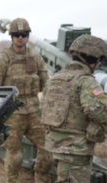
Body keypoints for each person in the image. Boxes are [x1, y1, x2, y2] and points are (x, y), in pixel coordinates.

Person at [0, 18, 52, 183]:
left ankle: (41, 178)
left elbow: (47, 83)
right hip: (13, 114)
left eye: (24, 34)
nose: (20, 37)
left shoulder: (35, 57)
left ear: (27, 36)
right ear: (11, 36)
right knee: (14, 153)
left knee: (47, 148)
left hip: (34, 112)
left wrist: (48, 104)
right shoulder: (3, 58)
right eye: (16, 34)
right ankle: (13, 180)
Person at [40, 34, 107, 183]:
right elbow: (100, 113)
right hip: (75, 150)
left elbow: (42, 108)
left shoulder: (55, 79)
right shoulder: (86, 82)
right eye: (100, 60)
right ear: (94, 59)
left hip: (55, 146)